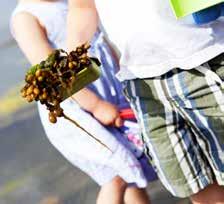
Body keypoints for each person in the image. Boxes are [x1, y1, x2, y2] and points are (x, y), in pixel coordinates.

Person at [66, 0, 224, 204]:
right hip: (140, 80)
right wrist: (69, 65)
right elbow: (82, 8)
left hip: (203, 56)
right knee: (193, 181)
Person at [10, 0, 157, 204]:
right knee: (115, 173)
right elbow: (52, 74)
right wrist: (95, 105)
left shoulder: (71, 4)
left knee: (131, 169)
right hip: (76, 106)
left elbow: (101, 43)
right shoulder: (25, 18)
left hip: (109, 94)